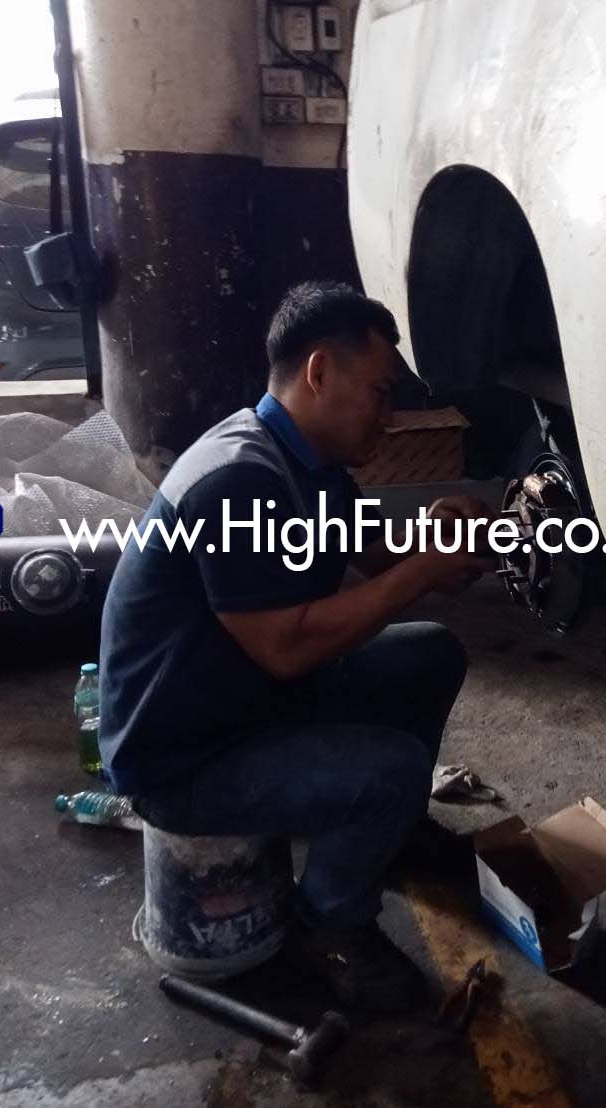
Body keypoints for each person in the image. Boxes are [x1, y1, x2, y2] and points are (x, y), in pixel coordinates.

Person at [97, 281, 492, 1011]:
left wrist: (442, 537)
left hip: (245, 702)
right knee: (391, 769)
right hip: (182, 757)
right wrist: (422, 571)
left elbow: (385, 561)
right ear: (318, 372)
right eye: (380, 392)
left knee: (430, 652)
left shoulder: (311, 463)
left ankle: (392, 835)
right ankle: (332, 926)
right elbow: (287, 650)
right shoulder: (238, 480)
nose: (389, 415)